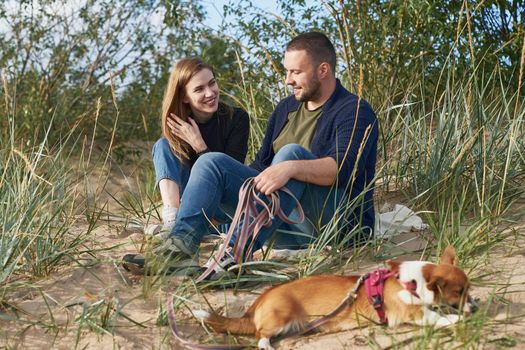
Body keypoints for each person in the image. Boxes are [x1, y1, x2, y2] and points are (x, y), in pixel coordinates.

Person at [125, 32, 378, 277]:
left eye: (296, 72)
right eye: (287, 71)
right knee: (212, 162)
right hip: (280, 227)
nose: (288, 80)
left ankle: (234, 255)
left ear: (323, 70)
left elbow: (341, 170)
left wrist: (290, 168)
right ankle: (178, 250)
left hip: (331, 224)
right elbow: (260, 167)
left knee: (291, 154)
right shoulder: (286, 108)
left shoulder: (354, 110)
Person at [146, 57, 250, 236]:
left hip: (223, 209)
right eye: (199, 89)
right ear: (184, 97)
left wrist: (199, 145)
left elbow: (230, 174)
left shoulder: (237, 118)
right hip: (189, 206)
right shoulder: (179, 125)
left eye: (212, 83)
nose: (210, 93)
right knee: (163, 145)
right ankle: (173, 221)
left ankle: (193, 227)